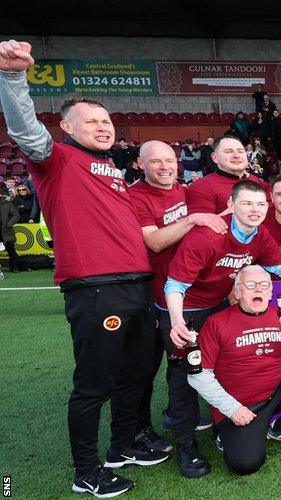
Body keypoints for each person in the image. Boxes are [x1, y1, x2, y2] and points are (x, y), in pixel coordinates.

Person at [0, 38, 164, 497]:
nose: (102, 127)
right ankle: (86, 471)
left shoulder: (110, 168)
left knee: (136, 373)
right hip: (95, 288)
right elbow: (26, 129)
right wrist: (13, 77)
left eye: (107, 120)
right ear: (67, 128)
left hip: (137, 283)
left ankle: (124, 445)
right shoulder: (55, 158)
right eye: (90, 121)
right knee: (94, 385)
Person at [163, 181, 281, 475]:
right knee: (184, 378)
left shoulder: (261, 235)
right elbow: (175, 285)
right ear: (232, 206)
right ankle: (187, 447)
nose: (255, 210)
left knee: (230, 354)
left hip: (222, 300)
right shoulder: (209, 235)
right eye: (247, 204)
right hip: (186, 305)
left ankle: (247, 422)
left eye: (261, 205)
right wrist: (176, 321)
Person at [127, 141, 229, 474]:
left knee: (197, 366)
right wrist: (195, 219)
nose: (164, 166)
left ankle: (178, 416)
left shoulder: (185, 191)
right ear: (140, 164)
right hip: (163, 296)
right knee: (179, 370)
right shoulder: (137, 196)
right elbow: (154, 241)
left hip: (201, 295)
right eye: (155, 162)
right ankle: (184, 445)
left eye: (169, 160)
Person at [189, 266, 281, 475]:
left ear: (271, 292)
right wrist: (232, 409)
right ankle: (227, 434)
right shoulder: (216, 323)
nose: (258, 290)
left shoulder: (280, 316)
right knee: (245, 464)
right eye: (251, 285)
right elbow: (197, 376)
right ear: (236, 292)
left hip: (275, 394)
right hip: (240, 405)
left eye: (265, 286)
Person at [186, 136, 270, 215]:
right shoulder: (201, 187)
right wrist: (233, 213)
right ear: (215, 157)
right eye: (229, 151)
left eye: (240, 151)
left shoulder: (255, 180)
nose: (236, 156)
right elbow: (200, 227)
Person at [0, 193, 21, 272]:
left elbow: (16, 215)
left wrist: (8, 224)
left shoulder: (7, 203)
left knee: (11, 250)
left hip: (6, 231)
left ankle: (14, 267)